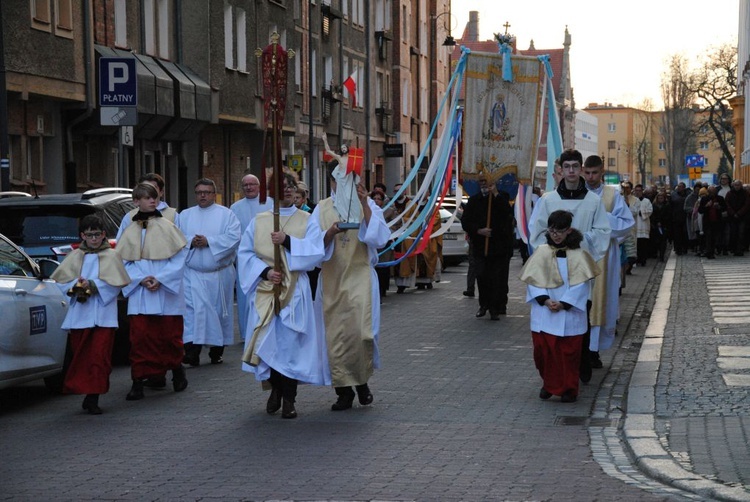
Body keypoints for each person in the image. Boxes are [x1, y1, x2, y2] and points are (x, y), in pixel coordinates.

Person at [239, 174, 328, 419]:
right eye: (281, 187)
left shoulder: (307, 220)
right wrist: (266, 272)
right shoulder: (259, 221)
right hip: (267, 291)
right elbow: (245, 254)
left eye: (290, 186)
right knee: (271, 344)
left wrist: (287, 241)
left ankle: (289, 399)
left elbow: (316, 252)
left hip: (294, 291)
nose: (287, 191)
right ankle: (275, 390)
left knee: (290, 346)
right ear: (270, 192)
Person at [311, 162, 390, 411]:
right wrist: (329, 234)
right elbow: (311, 246)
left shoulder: (368, 204)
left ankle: (362, 382)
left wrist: (365, 205)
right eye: (340, 180)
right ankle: (343, 391)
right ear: (332, 182)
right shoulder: (322, 208)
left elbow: (379, 238)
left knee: (361, 334)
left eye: (350, 180)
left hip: (360, 278)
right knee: (334, 337)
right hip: (332, 280)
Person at [528, 149, 610, 383]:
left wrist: (578, 239)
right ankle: (554, 374)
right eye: (567, 167)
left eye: (576, 166)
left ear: (581, 169)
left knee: (579, 316)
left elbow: (603, 232)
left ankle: (580, 366)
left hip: (580, 267)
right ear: (561, 170)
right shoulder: (548, 200)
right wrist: (554, 244)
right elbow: (537, 232)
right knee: (551, 325)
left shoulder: (593, 201)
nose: (572, 171)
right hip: (553, 267)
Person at [51, 214, 130, 414]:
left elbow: (116, 284)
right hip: (80, 316)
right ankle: (84, 391)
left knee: (99, 357)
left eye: (97, 235)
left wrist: (94, 285)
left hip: (103, 316)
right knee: (82, 357)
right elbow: (61, 283)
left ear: (104, 234)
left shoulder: (112, 256)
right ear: (82, 236)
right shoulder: (74, 257)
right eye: (89, 235)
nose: (94, 239)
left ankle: (93, 396)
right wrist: (78, 286)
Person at [117, 183, 189, 401]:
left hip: (166, 290)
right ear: (136, 202)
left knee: (169, 336)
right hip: (141, 291)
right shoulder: (130, 229)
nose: (152, 201)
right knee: (140, 338)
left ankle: (177, 369)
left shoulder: (168, 226)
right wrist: (140, 279)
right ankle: (138, 380)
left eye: (154, 198)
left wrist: (161, 278)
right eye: (147, 198)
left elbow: (179, 255)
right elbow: (122, 260)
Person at [520, 210, 600, 403]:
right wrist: (545, 300)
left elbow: (582, 284)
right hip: (544, 312)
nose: (556, 235)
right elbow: (533, 280)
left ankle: (568, 389)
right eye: (552, 231)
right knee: (544, 353)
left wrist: (564, 303)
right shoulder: (541, 252)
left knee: (568, 354)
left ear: (569, 231)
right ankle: (548, 384)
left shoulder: (579, 254)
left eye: (560, 231)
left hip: (569, 313)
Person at [179, 179, 241, 366]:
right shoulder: (185, 215)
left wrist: (210, 242)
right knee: (192, 314)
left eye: (206, 192)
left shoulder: (227, 215)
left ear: (214, 194)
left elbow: (233, 238)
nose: (203, 195)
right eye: (199, 192)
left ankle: (216, 351)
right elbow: (176, 237)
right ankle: (191, 353)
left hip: (218, 274)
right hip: (192, 273)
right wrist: (191, 241)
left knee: (217, 312)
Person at [581, 155, 634, 369]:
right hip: (581, 256)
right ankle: (581, 349)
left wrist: (603, 218)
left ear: (602, 172)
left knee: (600, 301)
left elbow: (626, 224)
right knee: (581, 301)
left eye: (595, 173)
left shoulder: (612, 195)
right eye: (588, 173)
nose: (591, 177)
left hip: (604, 257)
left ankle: (594, 351)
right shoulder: (577, 194)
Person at [461, 175, 514, 320]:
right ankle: (483, 304)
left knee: (496, 279)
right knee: (482, 276)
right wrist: (478, 230)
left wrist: (495, 193)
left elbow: (507, 215)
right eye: (482, 182)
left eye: (487, 181)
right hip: (480, 246)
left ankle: (495, 308)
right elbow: (465, 221)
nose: (484, 184)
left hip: (498, 247)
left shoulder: (501, 197)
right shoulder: (473, 201)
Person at [231, 173, 274, 342]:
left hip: (267, 257)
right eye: (245, 185)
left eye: (252, 184)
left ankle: (266, 328)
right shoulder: (235, 207)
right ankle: (245, 333)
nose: (249, 188)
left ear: (259, 186)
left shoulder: (270, 203)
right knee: (245, 297)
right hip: (246, 258)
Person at [371, 189, 394, 300]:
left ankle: (383, 289)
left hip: (385, 242)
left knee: (383, 267)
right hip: (372, 243)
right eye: (374, 198)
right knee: (375, 267)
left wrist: (388, 233)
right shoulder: (368, 211)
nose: (376, 201)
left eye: (379, 199)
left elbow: (396, 223)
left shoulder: (388, 211)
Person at [699, 185, 727, 259]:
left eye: (714, 192)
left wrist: (719, 207)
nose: (712, 193)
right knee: (708, 236)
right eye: (711, 192)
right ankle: (709, 252)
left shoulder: (720, 199)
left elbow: (725, 208)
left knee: (715, 237)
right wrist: (706, 206)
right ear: (708, 192)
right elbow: (700, 210)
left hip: (717, 221)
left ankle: (713, 250)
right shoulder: (704, 199)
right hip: (707, 221)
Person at [724, 179, 750, 256]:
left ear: (741, 185)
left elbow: (747, 204)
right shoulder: (729, 193)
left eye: (738, 185)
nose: (737, 186)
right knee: (733, 233)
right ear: (733, 185)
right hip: (732, 217)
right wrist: (732, 213)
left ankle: (739, 249)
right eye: (735, 185)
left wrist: (739, 213)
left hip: (742, 216)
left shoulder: (745, 193)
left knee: (741, 233)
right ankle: (734, 248)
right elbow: (727, 204)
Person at [633, 184, 653, 266]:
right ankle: (637, 259)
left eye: (639, 190)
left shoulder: (646, 201)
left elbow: (650, 210)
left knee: (643, 244)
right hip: (635, 225)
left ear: (642, 191)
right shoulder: (632, 200)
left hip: (643, 225)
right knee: (636, 245)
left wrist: (642, 213)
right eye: (636, 191)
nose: (638, 192)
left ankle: (643, 260)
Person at [669, 182, 690, 255]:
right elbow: (670, 206)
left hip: (685, 217)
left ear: (684, 187)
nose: (679, 188)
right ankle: (678, 249)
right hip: (676, 218)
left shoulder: (688, 195)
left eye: (681, 186)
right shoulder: (673, 195)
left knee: (685, 234)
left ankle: (685, 248)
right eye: (678, 186)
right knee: (677, 235)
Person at [650, 191, 671, 262]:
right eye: (659, 198)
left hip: (664, 225)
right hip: (655, 226)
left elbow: (668, 215)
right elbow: (652, 215)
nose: (660, 199)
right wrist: (656, 222)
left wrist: (662, 222)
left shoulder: (667, 205)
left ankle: (662, 255)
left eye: (662, 198)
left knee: (663, 241)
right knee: (656, 241)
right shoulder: (654, 205)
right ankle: (656, 253)